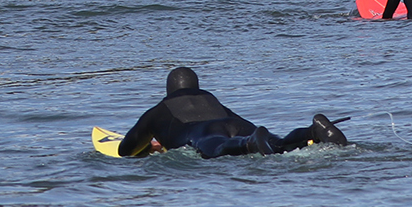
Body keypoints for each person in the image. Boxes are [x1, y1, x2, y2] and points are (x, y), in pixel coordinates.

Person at [116, 67, 349, 158]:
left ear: (168, 89)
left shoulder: (157, 112)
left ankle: (248, 144)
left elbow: (126, 149)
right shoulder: (210, 98)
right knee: (277, 143)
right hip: (235, 124)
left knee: (217, 149)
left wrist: (149, 147)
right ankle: (314, 131)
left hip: (202, 133)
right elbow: (235, 119)